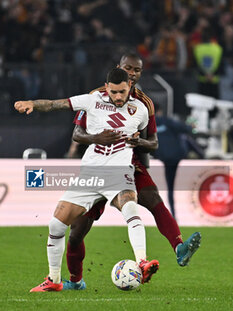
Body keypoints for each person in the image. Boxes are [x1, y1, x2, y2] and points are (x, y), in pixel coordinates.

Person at [63, 52, 201, 291]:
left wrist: (140, 148)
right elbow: (77, 134)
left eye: (137, 70)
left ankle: (178, 248)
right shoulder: (95, 97)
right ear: (119, 68)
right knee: (77, 232)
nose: (133, 73)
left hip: (130, 165)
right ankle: (76, 281)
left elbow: (152, 142)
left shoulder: (144, 104)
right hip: (98, 168)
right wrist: (97, 138)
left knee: (155, 200)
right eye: (128, 68)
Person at [14, 68, 159, 292]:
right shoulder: (92, 101)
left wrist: (137, 142)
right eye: (114, 92)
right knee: (56, 224)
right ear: (106, 87)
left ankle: (142, 262)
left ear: (129, 87)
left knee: (130, 207)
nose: (118, 97)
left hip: (118, 171)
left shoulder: (140, 109)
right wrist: (33, 103)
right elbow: (56, 104)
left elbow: (151, 142)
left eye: (122, 92)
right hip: (90, 174)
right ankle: (54, 280)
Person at [151, 106, 193, 219]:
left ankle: (170, 214)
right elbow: (186, 129)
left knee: (169, 187)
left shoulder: (146, 125)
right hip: (176, 156)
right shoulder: (167, 121)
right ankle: (174, 214)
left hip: (162, 158)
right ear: (159, 111)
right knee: (172, 187)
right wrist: (192, 125)